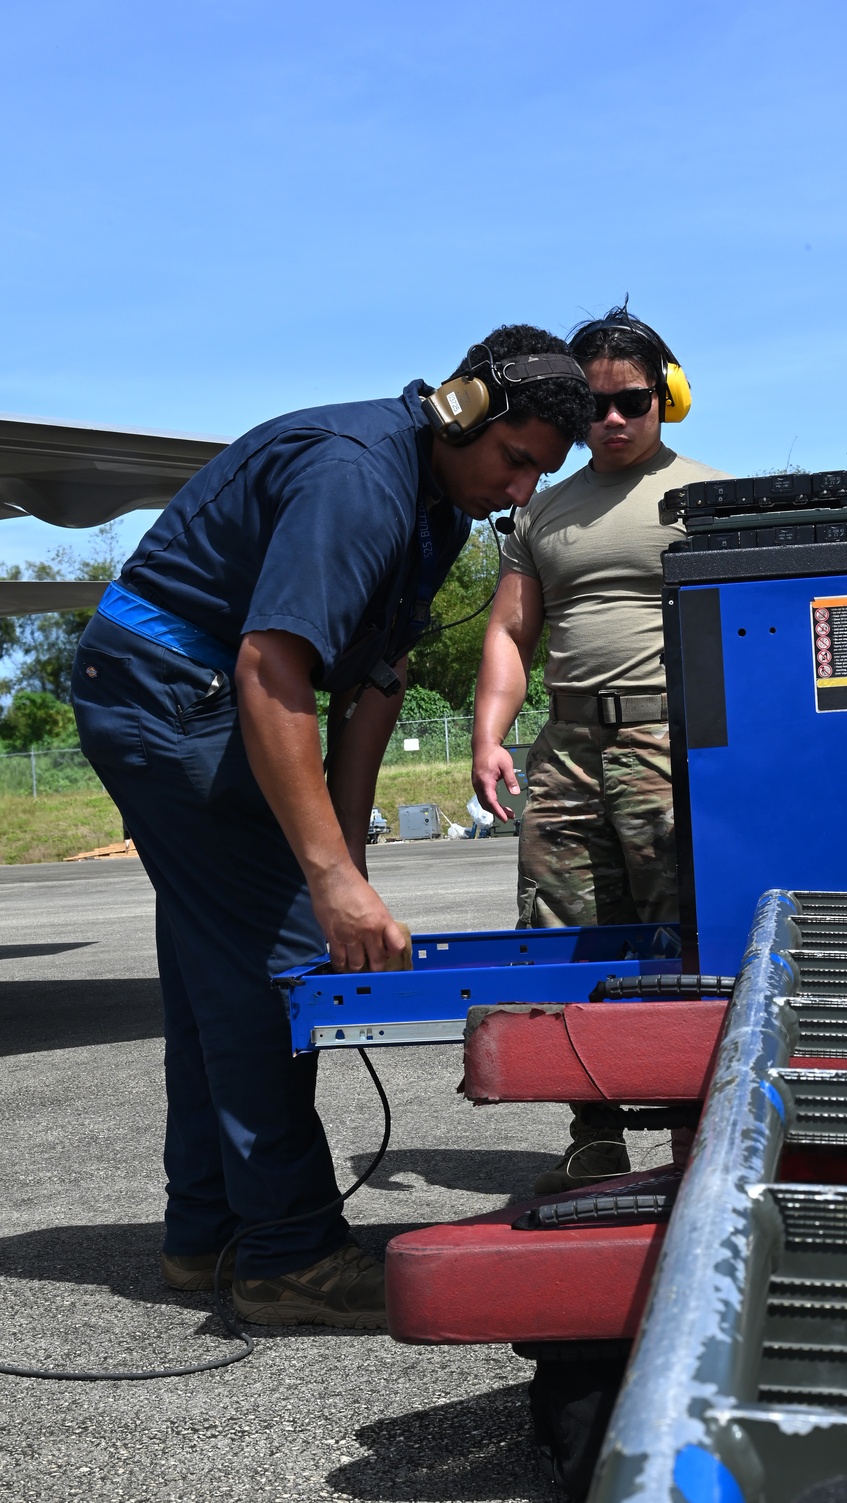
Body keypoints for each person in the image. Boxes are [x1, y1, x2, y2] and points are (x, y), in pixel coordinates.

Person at [72, 327, 593, 1328]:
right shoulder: (359, 480)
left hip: (185, 690)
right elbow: (270, 669)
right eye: (515, 459)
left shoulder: (435, 505)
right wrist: (325, 883)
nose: (521, 491)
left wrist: (348, 860)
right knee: (274, 962)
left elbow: (373, 684)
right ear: (463, 410)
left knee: (212, 968)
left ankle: (206, 1233)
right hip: (174, 691)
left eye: (539, 475)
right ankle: (291, 1255)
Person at [471, 306, 729, 1194]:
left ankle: (700, 1129)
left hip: (672, 739)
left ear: (668, 397)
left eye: (632, 400)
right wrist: (489, 734)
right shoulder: (541, 509)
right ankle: (595, 1133)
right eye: (596, 405)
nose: (613, 419)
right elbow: (509, 630)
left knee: (691, 940)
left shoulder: (710, 498)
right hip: (569, 742)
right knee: (563, 936)